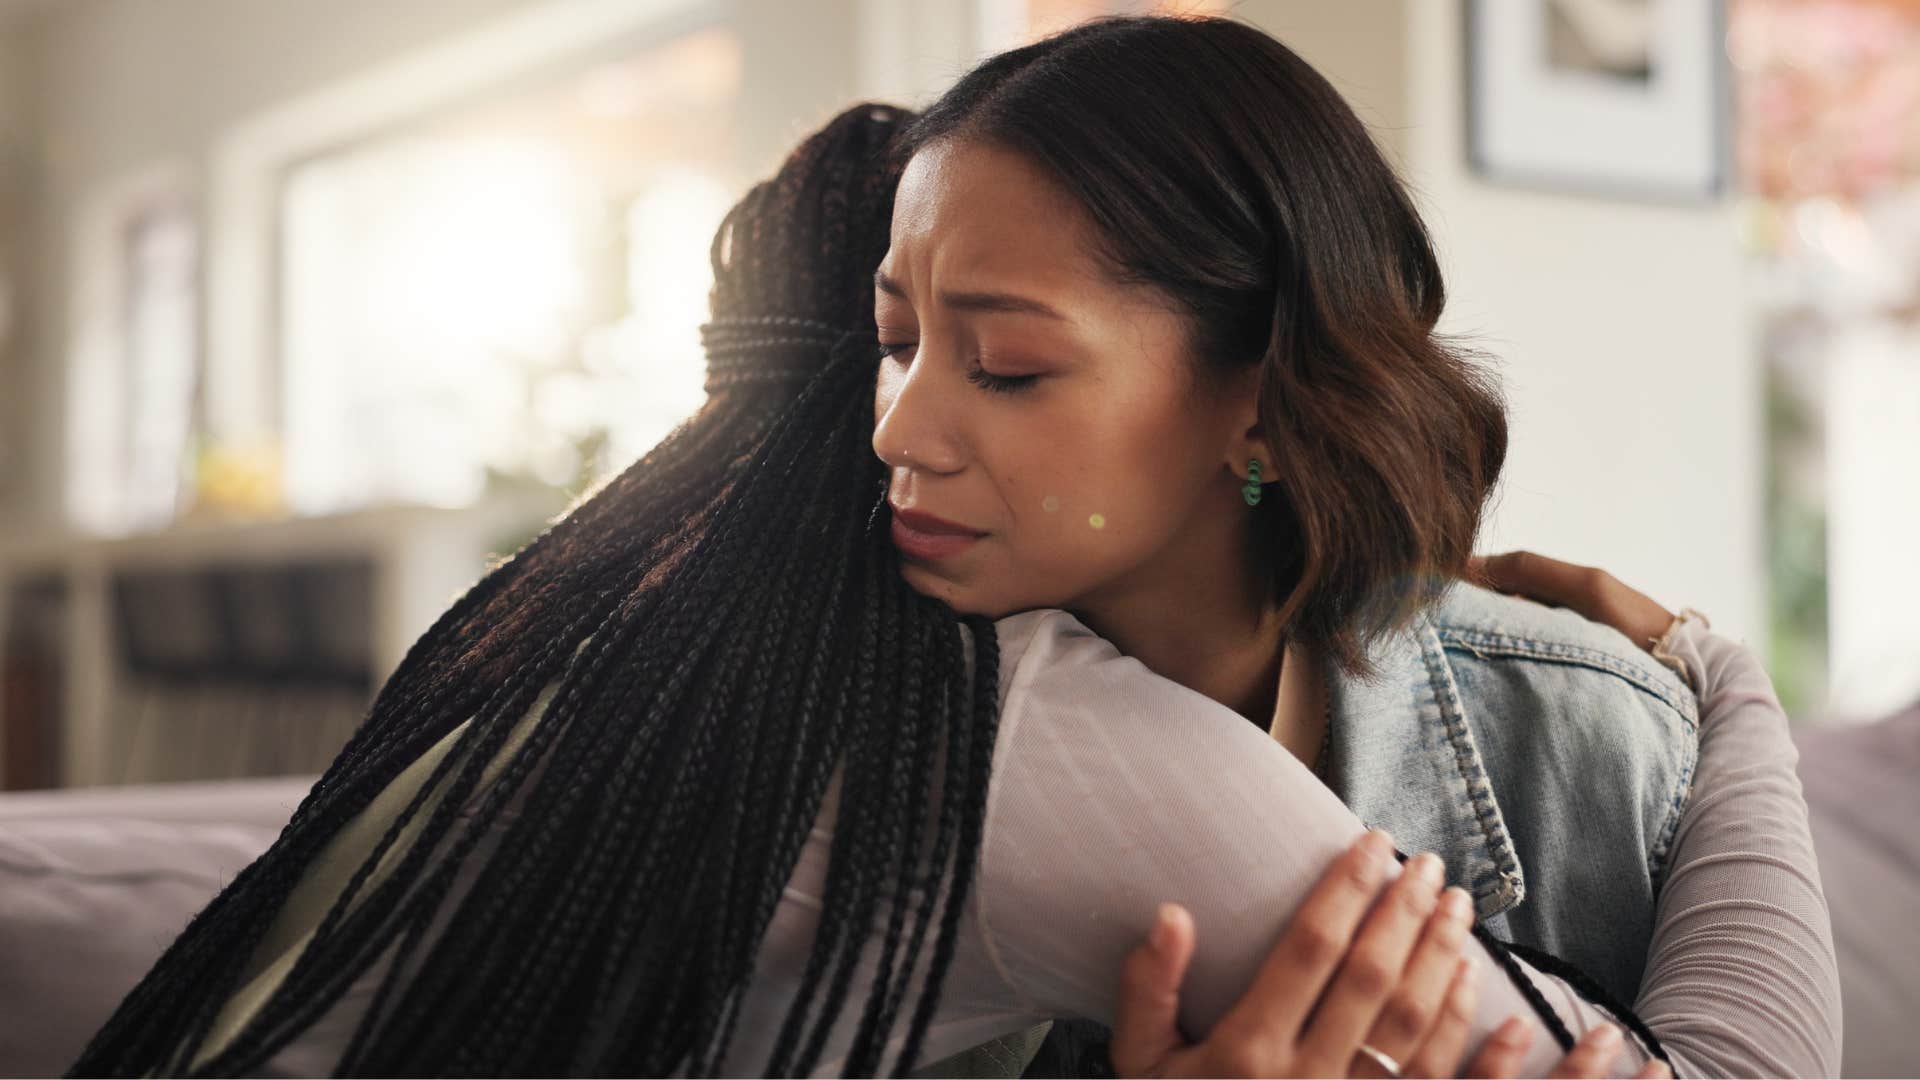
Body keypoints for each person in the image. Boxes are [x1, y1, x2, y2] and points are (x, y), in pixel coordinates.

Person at [70, 30, 1836, 1078]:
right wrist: (1730, 670)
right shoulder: (978, 729)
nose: (897, 430)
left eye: (1003, 362)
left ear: (1265, 406)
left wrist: (1691, 693)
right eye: (894, 339)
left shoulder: (1583, 743)